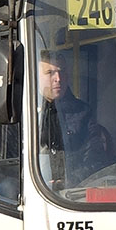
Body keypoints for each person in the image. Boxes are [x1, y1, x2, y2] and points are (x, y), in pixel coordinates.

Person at [37, 51, 94, 188]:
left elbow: (94, 156)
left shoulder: (83, 112)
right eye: (50, 73)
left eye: (61, 72)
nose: (58, 78)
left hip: (73, 192)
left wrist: (70, 180)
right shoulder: (20, 112)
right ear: (35, 77)